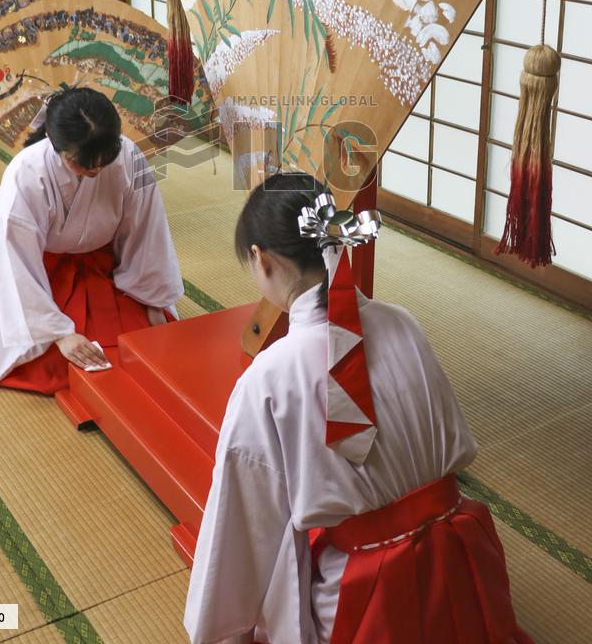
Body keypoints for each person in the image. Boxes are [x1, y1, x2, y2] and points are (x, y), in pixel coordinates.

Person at [184, 173, 533, 644]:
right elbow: (454, 444)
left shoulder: (269, 378)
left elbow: (244, 524)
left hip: (371, 589)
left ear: (260, 259)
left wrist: (226, 630)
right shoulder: (402, 323)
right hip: (464, 562)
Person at [0, 87, 183, 394]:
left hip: (104, 268)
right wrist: (59, 333)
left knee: (139, 345)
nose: (95, 169)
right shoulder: (25, 173)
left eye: (106, 159)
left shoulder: (130, 156)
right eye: (82, 162)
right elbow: (16, 260)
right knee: (49, 363)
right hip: (41, 274)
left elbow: (147, 229)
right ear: (54, 141)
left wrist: (151, 297)